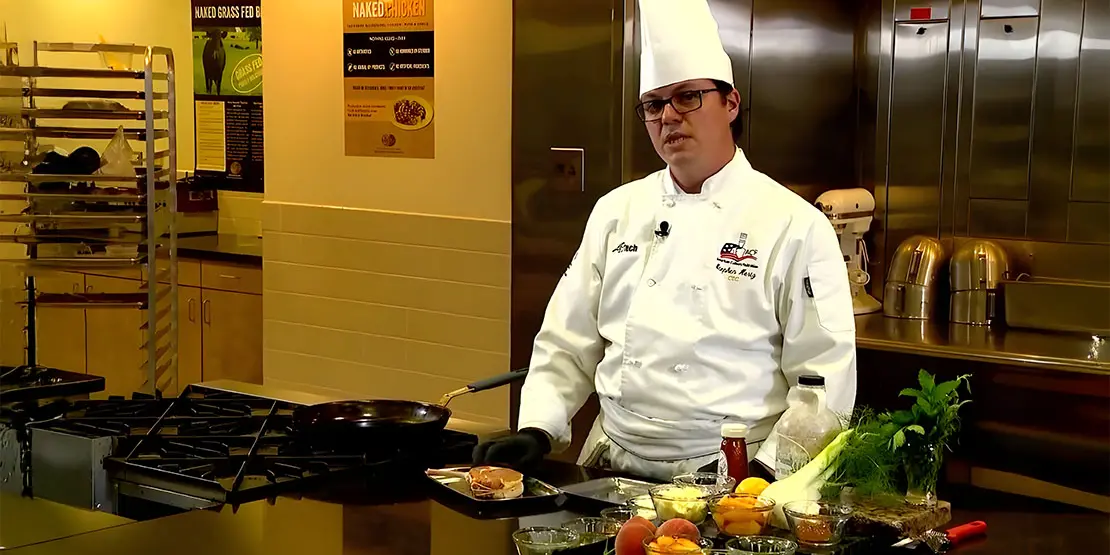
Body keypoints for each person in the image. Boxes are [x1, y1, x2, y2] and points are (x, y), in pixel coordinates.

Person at [473, 0, 856, 481]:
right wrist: (538, 429)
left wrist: (765, 474)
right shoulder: (617, 211)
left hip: (732, 475)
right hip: (611, 465)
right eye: (654, 105)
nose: (669, 117)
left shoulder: (793, 224)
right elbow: (567, 340)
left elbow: (822, 379)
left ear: (731, 103)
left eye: (687, 97)